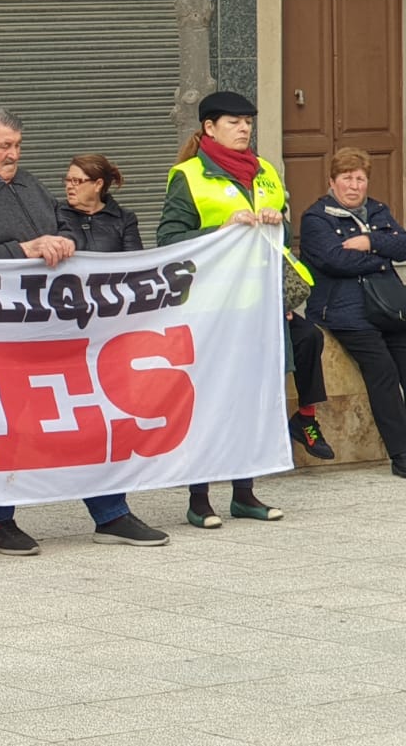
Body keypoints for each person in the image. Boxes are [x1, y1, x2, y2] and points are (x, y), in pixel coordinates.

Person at [0, 106, 169, 553]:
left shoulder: (30, 184)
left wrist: (65, 242)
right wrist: (22, 249)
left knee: (85, 417)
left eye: (18, 146)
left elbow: (57, 230)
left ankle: (111, 512)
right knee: (3, 427)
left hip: (50, 324)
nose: (13, 154)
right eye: (4, 146)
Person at [157, 90, 328, 527]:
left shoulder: (266, 172)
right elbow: (168, 240)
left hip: (259, 306)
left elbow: (283, 234)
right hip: (211, 310)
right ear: (209, 128)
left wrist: (278, 223)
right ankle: (199, 499)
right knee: (209, 402)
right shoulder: (188, 176)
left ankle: (245, 493)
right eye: (233, 122)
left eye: (248, 121)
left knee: (253, 401)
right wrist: (221, 228)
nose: (244, 128)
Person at [300, 147, 406, 477]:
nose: (354, 185)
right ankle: (401, 455)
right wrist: (381, 253)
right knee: (383, 372)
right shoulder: (316, 218)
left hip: (389, 308)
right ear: (332, 181)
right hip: (345, 312)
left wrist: (368, 242)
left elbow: (402, 244)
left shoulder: (377, 210)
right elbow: (335, 261)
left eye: (360, 179)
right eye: (346, 178)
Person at [56, 154, 142, 252]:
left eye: (76, 181)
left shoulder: (124, 218)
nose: (69, 186)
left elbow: (135, 261)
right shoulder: (56, 213)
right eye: (67, 180)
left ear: (98, 184)